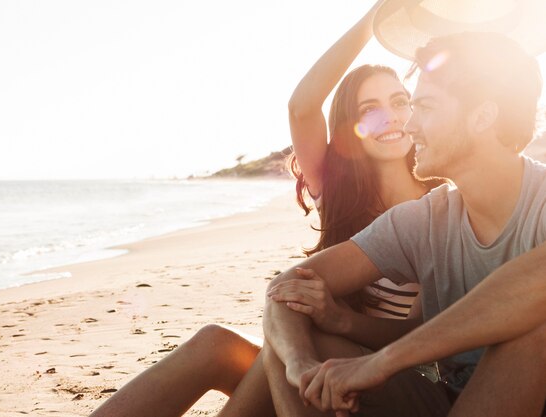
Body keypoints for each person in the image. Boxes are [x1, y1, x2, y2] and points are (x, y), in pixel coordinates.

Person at [89, 2, 436, 416]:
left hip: (390, 378)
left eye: (400, 102)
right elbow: (302, 107)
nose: (391, 117)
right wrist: (377, 18)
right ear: (353, 128)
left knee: (289, 337)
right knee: (216, 344)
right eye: (370, 109)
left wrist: (333, 320)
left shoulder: (438, 204)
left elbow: (420, 333)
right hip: (312, 367)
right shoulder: (339, 192)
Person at [263, 31, 546, 417]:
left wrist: (383, 362)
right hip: (450, 401)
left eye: (424, 107)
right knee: (299, 336)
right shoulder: (426, 218)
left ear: (482, 116)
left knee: (533, 329)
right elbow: (286, 288)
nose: (410, 125)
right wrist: (301, 366)